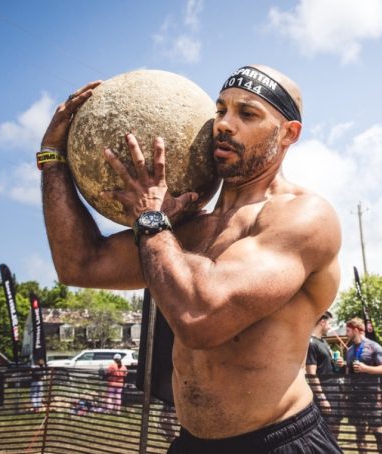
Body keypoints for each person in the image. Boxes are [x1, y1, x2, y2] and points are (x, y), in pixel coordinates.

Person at [39, 65, 342, 453]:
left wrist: (151, 221)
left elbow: (201, 319)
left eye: (247, 114)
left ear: (288, 134)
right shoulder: (182, 228)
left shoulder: (303, 217)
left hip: (278, 441)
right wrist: (52, 161)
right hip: (192, 443)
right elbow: (79, 263)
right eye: (220, 111)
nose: (224, 125)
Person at [336, 317, 382, 453]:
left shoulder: (373, 346)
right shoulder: (349, 351)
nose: (346, 334)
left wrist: (366, 369)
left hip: (371, 396)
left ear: (356, 330)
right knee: (359, 435)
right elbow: (348, 373)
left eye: (348, 331)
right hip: (355, 398)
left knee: (378, 432)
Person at [305, 311, 344, 440]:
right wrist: (322, 398)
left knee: (336, 429)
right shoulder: (311, 343)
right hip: (326, 393)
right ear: (322, 322)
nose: (330, 326)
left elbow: (328, 366)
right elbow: (311, 374)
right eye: (329, 323)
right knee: (328, 433)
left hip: (335, 392)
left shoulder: (324, 342)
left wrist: (337, 363)